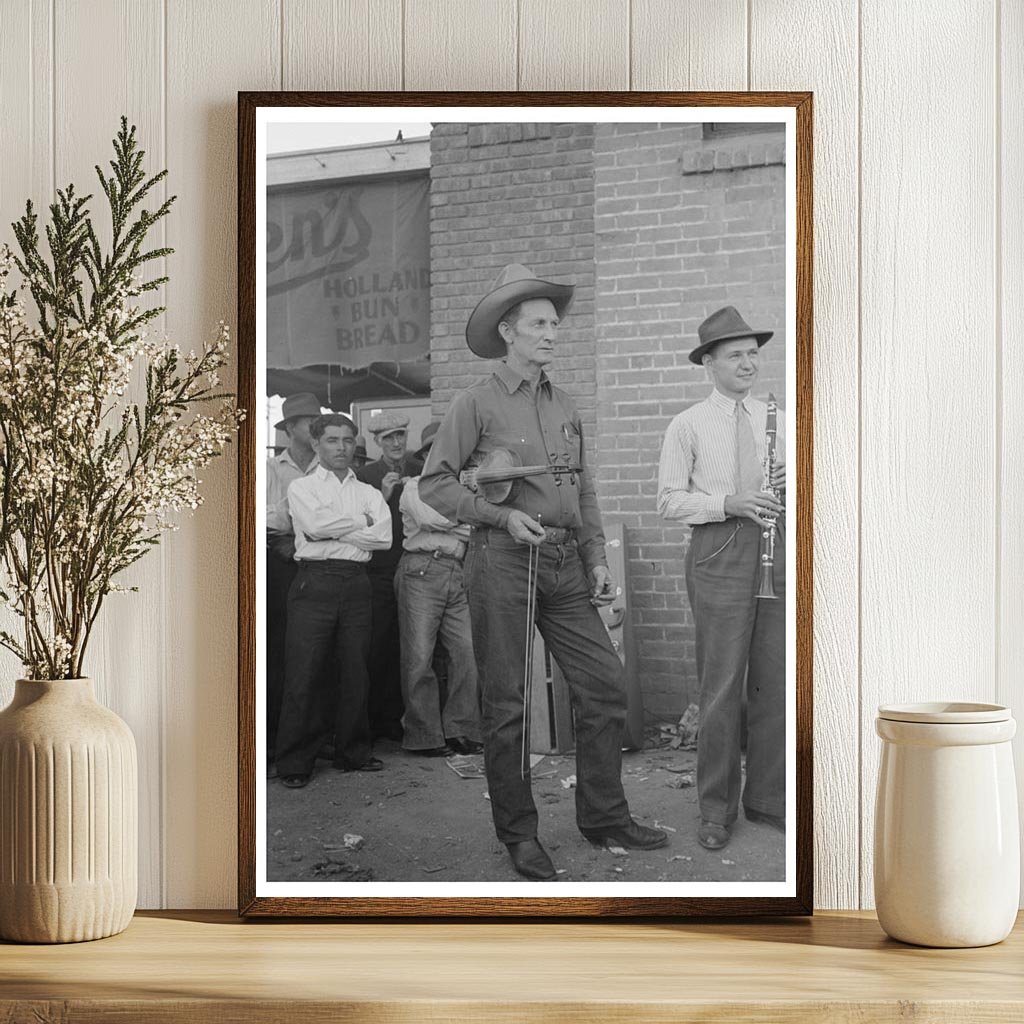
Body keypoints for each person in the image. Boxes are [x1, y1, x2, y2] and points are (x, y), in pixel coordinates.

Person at [420, 263, 667, 881]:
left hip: (563, 562)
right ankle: (520, 835)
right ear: (508, 331)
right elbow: (434, 485)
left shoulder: (565, 404)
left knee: (605, 684)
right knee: (508, 703)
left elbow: (581, 490)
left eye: (555, 323)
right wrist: (498, 519)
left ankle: (604, 815)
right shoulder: (474, 402)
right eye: (538, 324)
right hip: (502, 560)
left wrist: (596, 558)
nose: (552, 333)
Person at [656, 305, 786, 852]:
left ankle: (768, 799)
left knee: (775, 683)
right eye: (735, 354)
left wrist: (794, 481)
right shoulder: (686, 424)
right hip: (719, 550)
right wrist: (728, 501)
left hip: (775, 550)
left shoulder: (778, 417)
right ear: (709, 363)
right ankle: (716, 808)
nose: (748, 363)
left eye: (753, 353)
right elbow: (667, 501)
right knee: (722, 686)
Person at [275, 413, 392, 789]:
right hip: (315, 583)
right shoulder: (302, 488)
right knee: (305, 671)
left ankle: (353, 753)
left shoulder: (369, 493)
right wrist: (360, 524)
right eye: (332, 440)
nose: (340, 448)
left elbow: (384, 539)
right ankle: (295, 762)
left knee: (356, 668)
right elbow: (314, 527)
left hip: (357, 583)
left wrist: (340, 528)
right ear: (316, 443)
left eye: (346, 441)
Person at [397, 422, 483, 758]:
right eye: (435, 450)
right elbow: (438, 520)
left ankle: (462, 730)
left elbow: (473, 527)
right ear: (426, 457)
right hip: (421, 569)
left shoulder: (464, 493)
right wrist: (470, 517)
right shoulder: (414, 486)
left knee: (468, 652)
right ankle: (423, 735)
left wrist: (470, 518)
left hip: (457, 570)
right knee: (419, 656)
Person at [357, 411, 424, 742]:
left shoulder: (418, 469)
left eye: (400, 435)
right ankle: (378, 720)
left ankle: (403, 720)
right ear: (377, 442)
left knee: (412, 645)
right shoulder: (366, 475)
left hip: (416, 566)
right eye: (389, 438)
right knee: (380, 643)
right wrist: (381, 497)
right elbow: (357, 524)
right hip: (380, 570)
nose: (397, 442)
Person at [265, 392, 320, 769]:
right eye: (307, 423)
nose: (314, 429)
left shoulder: (326, 467)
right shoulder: (271, 468)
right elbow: (267, 518)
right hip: (281, 565)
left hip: (315, 562)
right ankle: (272, 740)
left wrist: (297, 528)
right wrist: (302, 522)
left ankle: (315, 739)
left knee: (317, 653)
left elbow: (331, 518)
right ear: (289, 429)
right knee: (279, 651)